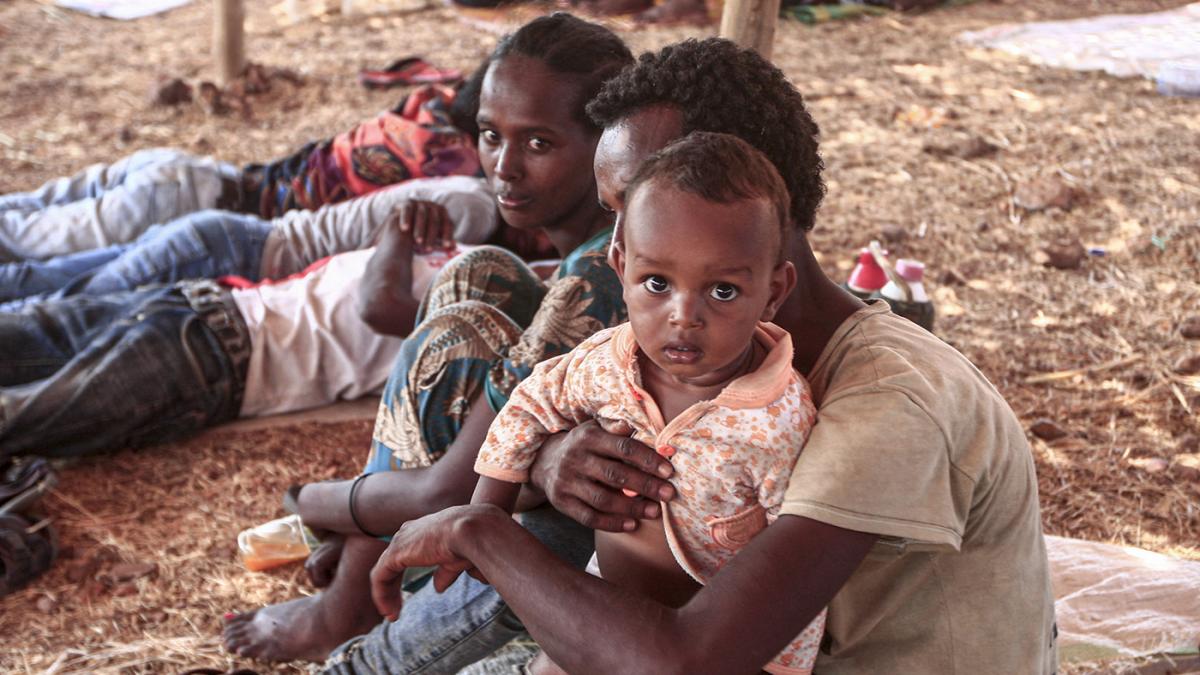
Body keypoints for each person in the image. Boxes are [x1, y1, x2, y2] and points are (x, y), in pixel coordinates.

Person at [356, 38, 1057, 675]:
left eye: (632, 207)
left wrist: (479, 531)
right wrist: (550, 455)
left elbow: (690, 662)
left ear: (744, 196)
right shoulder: (696, 354)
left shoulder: (889, 401)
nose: (612, 252)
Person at [221, 13, 635, 663]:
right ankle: (361, 574)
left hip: (578, 555)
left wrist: (314, 501)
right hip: (519, 503)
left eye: (539, 143)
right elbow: (387, 309)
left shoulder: (601, 272)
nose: (504, 167)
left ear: (605, 145)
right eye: (492, 136)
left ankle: (346, 610)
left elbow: (443, 492)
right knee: (480, 277)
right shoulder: (586, 253)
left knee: (466, 318)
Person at [469, 132, 824, 675]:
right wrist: (486, 512)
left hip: (702, 649)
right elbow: (529, 404)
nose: (683, 315)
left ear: (774, 291)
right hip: (601, 611)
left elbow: (797, 578)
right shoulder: (609, 363)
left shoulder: (777, 420)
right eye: (656, 282)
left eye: (722, 291)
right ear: (620, 268)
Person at [0, 180, 499, 460]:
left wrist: (394, 233)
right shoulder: (489, 254)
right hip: (196, 302)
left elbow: (379, 304)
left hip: (214, 362)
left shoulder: (508, 314)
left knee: (18, 418)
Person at [0, 84, 480, 262]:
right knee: (23, 245)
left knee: (20, 218)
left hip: (184, 174)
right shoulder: (450, 160)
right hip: (192, 203)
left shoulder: (429, 102)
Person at [0, 175, 493, 311]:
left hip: (222, 236)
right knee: (67, 303)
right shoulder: (474, 210)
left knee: (41, 284)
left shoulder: (465, 193)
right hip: (237, 251)